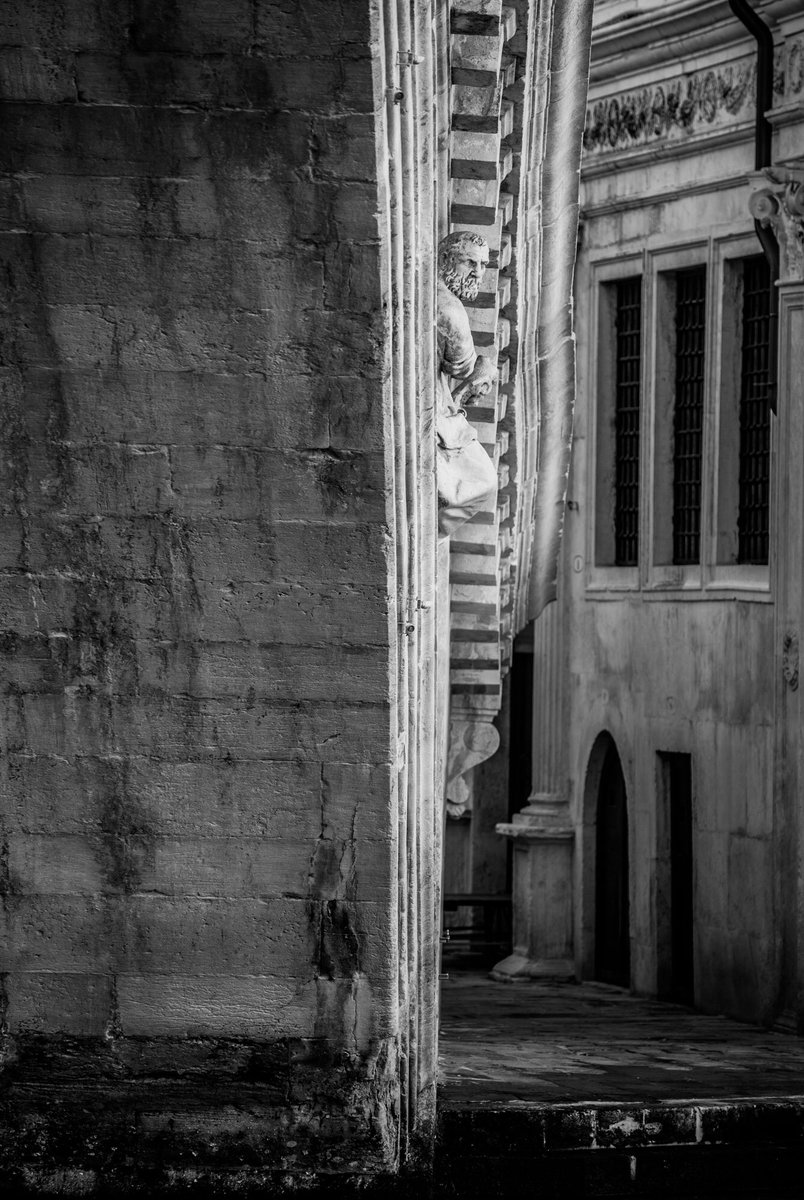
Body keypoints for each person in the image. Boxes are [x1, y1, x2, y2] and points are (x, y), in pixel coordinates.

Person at [435, 231, 498, 536]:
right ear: (445, 259)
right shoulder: (450, 309)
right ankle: (431, 531)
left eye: (483, 265)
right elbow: (463, 366)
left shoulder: (439, 297)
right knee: (483, 481)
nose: (478, 272)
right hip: (435, 408)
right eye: (470, 262)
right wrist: (486, 368)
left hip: (438, 399)